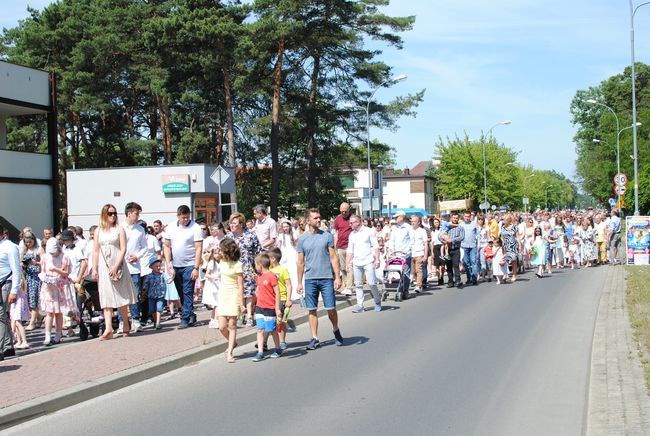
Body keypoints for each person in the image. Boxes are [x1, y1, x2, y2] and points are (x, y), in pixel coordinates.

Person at [296, 208, 344, 350]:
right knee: (312, 309)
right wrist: (299, 282)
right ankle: (314, 338)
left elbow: (333, 257)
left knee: (331, 308)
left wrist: (337, 277)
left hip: (326, 278)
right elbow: (300, 262)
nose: (319, 220)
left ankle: (335, 329)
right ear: (308, 220)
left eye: (319, 217)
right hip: (310, 278)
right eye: (315, 218)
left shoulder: (327, 236)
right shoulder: (302, 239)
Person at [92, 204, 137, 340]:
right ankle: (108, 328)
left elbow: (123, 249)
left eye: (114, 213)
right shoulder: (98, 231)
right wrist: (94, 268)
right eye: (110, 213)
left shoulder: (119, 229)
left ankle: (125, 323)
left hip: (118, 265)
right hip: (103, 265)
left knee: (121, 296)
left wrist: (116, 265)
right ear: (104, 215)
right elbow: (95, 251)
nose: (113, 216)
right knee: (106, 297)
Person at [163, 205, 203, 329]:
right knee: (180, 292)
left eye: (187, 217)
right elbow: (167, 246)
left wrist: (196, 267)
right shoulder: (171, 227)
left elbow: (198, 248)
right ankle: (190, 314)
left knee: (187, 291)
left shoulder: (195, 228)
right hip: (176, 265)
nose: (186, 220)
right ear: (178, 216)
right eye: (183, 217)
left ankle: (184, 318)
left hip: (189, 264)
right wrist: (168, 263)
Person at [226, 213, 261, 327]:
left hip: (248, 267)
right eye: (231, 223)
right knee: (236, 291)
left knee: (249, 293)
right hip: (233, 268)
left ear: (241, 224)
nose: (232, 225)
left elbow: (258, 252)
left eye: (235, 223)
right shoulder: (229, 238)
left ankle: (249, 315)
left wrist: (258, 268)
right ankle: (239, 315)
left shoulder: (250, 236)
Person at [121, 202, 148, 333]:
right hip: (121, 266)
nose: (137, 216)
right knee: (121, 295)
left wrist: (137, 256)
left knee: (135, 294)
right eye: (136, 213)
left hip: (135, 267)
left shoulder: (140, 229)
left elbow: (144, 247)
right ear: (129, 213)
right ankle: (122, 321)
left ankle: (136, 320)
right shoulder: (119, 227)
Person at [346, 214, 382, 313]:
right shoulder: (352, 234)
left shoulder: (369, 231)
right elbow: (350, 250)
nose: (350, 224)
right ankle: (360, 305)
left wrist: (377, 259)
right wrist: (347, 263)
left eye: (351, 223)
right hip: (357, 262)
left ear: (358, 222)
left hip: (368, 261)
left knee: (371, 283)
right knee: (358, 285)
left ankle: (377, 301)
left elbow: (376, 246)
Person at [252, 253, 282, 362]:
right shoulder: (259, 277)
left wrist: (277, 308)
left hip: (270, 308)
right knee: (260, 329)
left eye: (256, 264)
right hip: (260, 307)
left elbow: (277, 293)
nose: (255, 267)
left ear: (260, 265)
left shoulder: (271, 276)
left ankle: (278, 348)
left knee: (272, 329)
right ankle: (260, 352)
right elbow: (260, 290)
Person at [217, 238, 244, 363]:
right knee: (222, 326)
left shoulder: (238, 264)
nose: (220, 252)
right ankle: (232, 342)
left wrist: (241, 303)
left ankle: (230, 352)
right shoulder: (221, 261)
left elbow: (240, 285)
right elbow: (206, 258)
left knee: (232, 325)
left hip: (233, 294)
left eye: (222, 250)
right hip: (223, 294)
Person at [39, 238, 70, 346]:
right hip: (48, 286)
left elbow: (66, 273)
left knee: (58, 312)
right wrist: (43, 277)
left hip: (59, 286)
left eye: (54, 252)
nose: (52, 254)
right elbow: (42, 271)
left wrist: (56, 270)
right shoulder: (45, 257)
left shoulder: (64, 256)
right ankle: (47, 336)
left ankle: (57, 335)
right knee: (49, 312)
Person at [1, 224, 21, 360]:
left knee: (0, 316)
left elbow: (16, 270)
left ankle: (1, 347)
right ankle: (8, 346)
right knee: (3, 317)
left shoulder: (10, 247)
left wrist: (14, 290)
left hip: (5, 284)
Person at [268, 247, 292, 349]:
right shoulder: (268, 270)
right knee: (272, 321)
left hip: (282, 298)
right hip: (272, 299)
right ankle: (265, 342)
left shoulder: (283, 269)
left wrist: (288, 299)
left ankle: (282, 341)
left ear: (273, 258)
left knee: (282, 321)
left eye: (268, 257)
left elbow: (289, 285)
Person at [387, 210, 414, 298]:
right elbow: (391, 240)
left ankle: (405, 289)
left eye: (397, 217)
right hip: (396, 254)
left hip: (405, 254)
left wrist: (407, 249)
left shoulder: (408, 227)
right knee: (396, 271)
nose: (395, 219)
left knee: (405, 272)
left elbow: (412, 240)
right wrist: (391, 249)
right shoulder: (394, 228)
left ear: (402, 217)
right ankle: (397, 288)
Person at [20, 231, 42, 330]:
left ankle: (32, 323)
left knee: (33, 300)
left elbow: (45, 262)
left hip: (36, 277)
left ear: (33, 240)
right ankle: (39, 317)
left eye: (30, 242)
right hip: (27, 277)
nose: (28, 244)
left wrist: (36, 263)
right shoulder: (24, 251)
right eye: (26, 242)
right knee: (28, 300)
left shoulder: (38, 249)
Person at [333, 202, 353, 297]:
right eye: (342, 211)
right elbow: (336, 232)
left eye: (345, 211)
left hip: (350, 246)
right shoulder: (338, 218)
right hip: (340, 246)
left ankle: (349, 287)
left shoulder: (352, 218)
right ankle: (345, 286)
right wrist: (335, 244)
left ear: (349, 210)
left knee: (349, 267)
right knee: (342, 268)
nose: (344, 213)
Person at [439, 213, 464, 288]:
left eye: (456, 218)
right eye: (454, 218)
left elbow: (462, 237)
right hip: (448, 249)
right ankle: (450, 281)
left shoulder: (460, 228)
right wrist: (445, 241)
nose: (455, 219)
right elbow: (440, 236)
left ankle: (458, 280)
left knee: (456, 265)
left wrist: (452, 240)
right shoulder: (447, 226)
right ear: (451, 218)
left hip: (456, 249)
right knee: (448, 266)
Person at [202, 247, 221, 329]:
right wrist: (214, 277)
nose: (217, 255)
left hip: (217, 284)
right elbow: (206, 274)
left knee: (217, 303)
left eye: (219, 253)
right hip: (213, 285)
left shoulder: (219, 262)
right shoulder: (212, 262)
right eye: (215, 253)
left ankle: (213, 320)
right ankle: (215, 320)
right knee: (217, 303)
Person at [410, 215, 429, 293]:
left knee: (419, 270)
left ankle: (418, 286)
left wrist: (425, 255)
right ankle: (417, 283)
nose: (412, 223)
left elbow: (426, 243)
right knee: (413, 271)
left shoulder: (422, 231)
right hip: (411, 253)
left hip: (419, 253)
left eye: (414, 221)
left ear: (418, 222)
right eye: (411, 221)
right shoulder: (409, 230)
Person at [500, 214, 521, 283]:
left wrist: (520, 245)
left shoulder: (514, 227)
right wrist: (502, 244)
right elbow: (502, 237)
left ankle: (514, 275)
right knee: (505, 261)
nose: (503, 221)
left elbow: (517, 237)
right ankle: (506, 274)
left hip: (513, 246)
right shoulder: (503, 227)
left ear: (508, 221)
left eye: (505, 220)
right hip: (505, 246)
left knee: (513, 261)